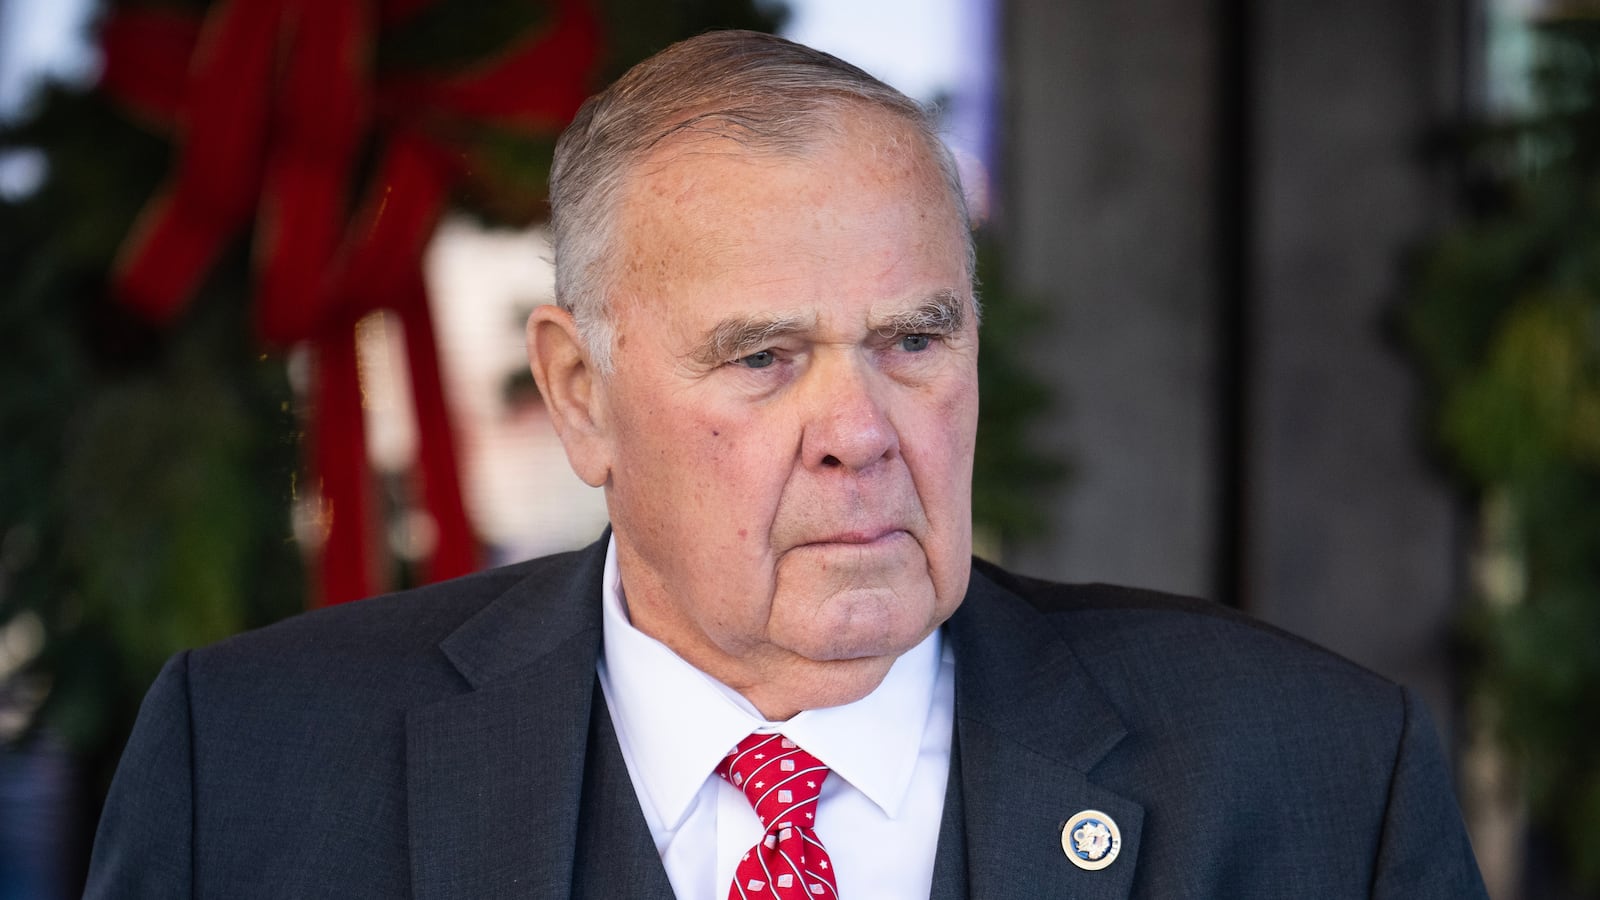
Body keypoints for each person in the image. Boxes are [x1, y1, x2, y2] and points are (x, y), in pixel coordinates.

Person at [86, 30, 1487, 899]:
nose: (860, 426)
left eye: (914, 340)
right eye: (763, 357)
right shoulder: (257, 772)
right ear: (581, 396)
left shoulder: (1309, 778)